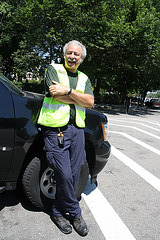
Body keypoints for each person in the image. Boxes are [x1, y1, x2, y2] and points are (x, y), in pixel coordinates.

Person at [38, 40, 94, 236]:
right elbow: (54, 94)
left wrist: (68, 91)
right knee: (63, 174)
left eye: (76, 54)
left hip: (77, 130)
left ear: (81, 58)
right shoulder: (53, 69)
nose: (72, 57)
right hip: (55, 130)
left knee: (75, 173)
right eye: (69, 53)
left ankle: (57, 212)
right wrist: (78, 97)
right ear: (65, 54)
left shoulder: (84, 78)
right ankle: (76, 214)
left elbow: (90, 102)